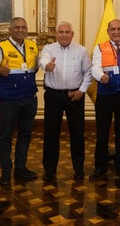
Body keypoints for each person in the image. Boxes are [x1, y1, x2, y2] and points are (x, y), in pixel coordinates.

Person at [0, 17, 39, 185]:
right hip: (9, 99)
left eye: (23, 27)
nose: (20, 30)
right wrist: (0, 70)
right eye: (16, 27)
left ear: (27, 29)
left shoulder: (32, 46)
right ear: (10, 29)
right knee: (6, 136)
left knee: (25, 134)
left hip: (29, 98)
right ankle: (6, 170)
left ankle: (21, 167)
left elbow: (35, 67)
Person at [39, 21, 92, 181]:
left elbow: (88, 73)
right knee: (51, 133)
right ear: (56, 34)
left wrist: (82, 91)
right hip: (53, 96)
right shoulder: (49, 49)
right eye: (60, 32)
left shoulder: (81, 50)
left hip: (74, 96)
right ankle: (49, 169)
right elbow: (43, 61)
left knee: (77, 133)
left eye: (67, 32)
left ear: (72, 34)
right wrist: (46, 66)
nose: (63, 34)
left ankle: (79, 168)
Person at [89, 19, 120, 181]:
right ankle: (100, 166)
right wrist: (100, 75)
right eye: (113, 29)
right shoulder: (100, 48)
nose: (116, 32)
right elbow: (94, 67)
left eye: (119, 29)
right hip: (104, 95)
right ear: (108, 31)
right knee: (102, 132)